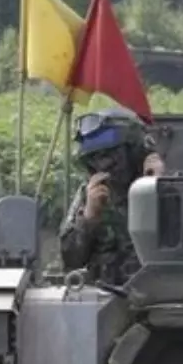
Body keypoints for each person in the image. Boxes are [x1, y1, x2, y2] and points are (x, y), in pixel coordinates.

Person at [59, 108, 165, 285]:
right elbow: (70, 260)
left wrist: (159, 189)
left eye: (112, 155)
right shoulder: (91, 193)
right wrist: (89, 218)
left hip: (157, 295)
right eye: (95, 158)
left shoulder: (170, 186)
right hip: (105, 298)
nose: (103, 164)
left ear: (134, 151)